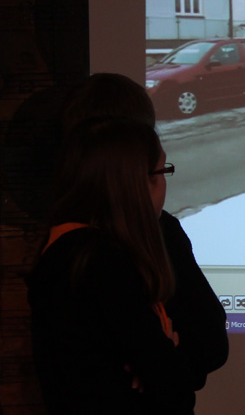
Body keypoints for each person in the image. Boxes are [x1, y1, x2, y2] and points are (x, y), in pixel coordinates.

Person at [57, 73, 229, 394]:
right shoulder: (90, 254)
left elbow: (209, 345)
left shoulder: (157, 229)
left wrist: (165, 364)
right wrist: (165, 362)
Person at [26, 116, 198, 413]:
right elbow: (174, 389)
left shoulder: (63, 249)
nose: (164, 184)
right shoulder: (104, 263)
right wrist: (167, 350)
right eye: (162, 171)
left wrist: (160, 359)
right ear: (135, 184)